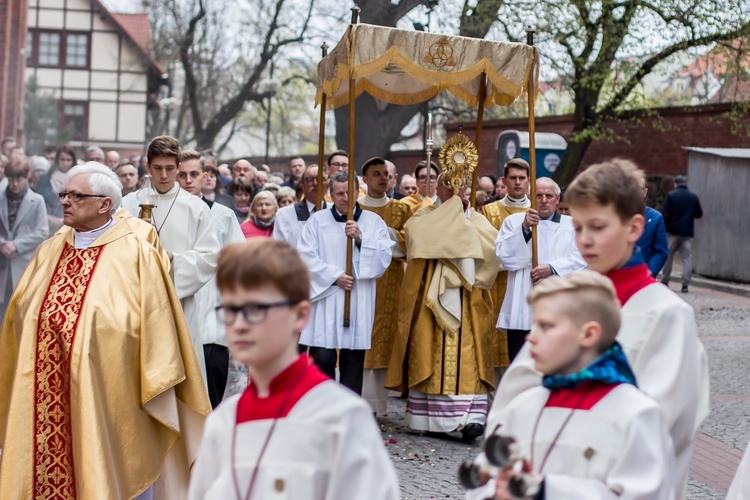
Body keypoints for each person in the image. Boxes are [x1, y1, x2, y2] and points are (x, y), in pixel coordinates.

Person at [491, 159, 709, 497]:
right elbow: (514, 393)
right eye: (578, 228)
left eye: (598, 227)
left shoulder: (666, 314)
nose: (585, 241)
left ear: (634, 229)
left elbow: (666, 427)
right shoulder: (567, 304)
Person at [0, 162, 210, 499]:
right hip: (43, 386)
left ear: (104, 204)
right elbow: (19, 313)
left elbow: (157, 327)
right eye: (64, 194)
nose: (65, 201)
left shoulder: (136, 251)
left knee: (99, 463)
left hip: (111, 389)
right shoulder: (50, 248)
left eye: (75, 195)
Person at [187, 240, 400, 499]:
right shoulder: (222, 423)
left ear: (300, 315)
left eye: (255, 308)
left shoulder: (340, 417)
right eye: (230, 309)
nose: (239, 325)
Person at [475, 272, 675, 500]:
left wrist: (546, 490)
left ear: (589, 334)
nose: (531, 337)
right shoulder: (522, 407)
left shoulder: (636, 415)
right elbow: (486, 477)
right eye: (534, 326)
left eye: (546, 326)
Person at [386, 169, 499, 442]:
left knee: (470, 355)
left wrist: (460, 231)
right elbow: (415, 239)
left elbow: (493, 250)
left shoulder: (478, 221)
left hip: (468, 297)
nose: (453, 191)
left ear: (467, 191)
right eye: (447, 186)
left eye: (459, 187)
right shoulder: (424, 217)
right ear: (437, 189)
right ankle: (430, 417)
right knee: (429, 351)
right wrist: (452, 232)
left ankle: (471, 418)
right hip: (431, 296)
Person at [122, 136, 221, 385]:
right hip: (137, 302)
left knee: (180, 378)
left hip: (178, 304)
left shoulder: (195, 208)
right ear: (148, 167)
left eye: (169, 168)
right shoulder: (128, 204)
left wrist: (173, 259)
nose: (164, 175)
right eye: (157, 168)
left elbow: (210, 257)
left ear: (178, 167)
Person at [297, 172, 394, 395]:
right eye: (339, 193)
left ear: (358, 192)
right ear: (330, 194)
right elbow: (304, 256)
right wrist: (334, 276)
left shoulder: (372, 221)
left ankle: (349, 415)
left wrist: (361, 239)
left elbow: (384, 256)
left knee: (352, 360)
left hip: (357, 298)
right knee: (322, 356)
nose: (344, 198)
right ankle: (323, 409)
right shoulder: (317, 221)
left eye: (349, 192)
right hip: (327, 296)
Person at [177, 149, 245, 409]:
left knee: (212, 388)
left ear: (205, 176)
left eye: (194, 174)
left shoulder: (222, 215)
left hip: (212, 313)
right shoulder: (164, 214)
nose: (188, 180)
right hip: (178, 307)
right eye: (182, 175)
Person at [495, 177, 586, 362]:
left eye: (549, 196)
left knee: (555, 363)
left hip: (558, 303)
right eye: (539, 196)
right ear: (530, 197)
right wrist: (525, 229)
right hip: (522, 303)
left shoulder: (573, 225)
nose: (544, 201)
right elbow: (504, 258)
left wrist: (552, 268)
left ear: (557, 199)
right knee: (520, 362)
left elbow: (583, 258)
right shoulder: (514, 222)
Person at [358, 157, 411, 415]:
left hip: (390, 282)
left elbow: (408, 245)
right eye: (376, 173)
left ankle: (376, 405)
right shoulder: (354, 207)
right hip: (359, 283)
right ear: (364, 179)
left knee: (382, 341)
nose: (382, 178)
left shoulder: (401, 209)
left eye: (386, 174)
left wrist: (384, 234)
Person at [481, 159, 533, 376]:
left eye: (522, 178)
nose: (518, 183)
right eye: (513, 178)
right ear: (504, 180)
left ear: (529, 181)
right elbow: (487, 251)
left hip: (527, 287)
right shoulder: (489, 211)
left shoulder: (537, 210)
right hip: (495, 287)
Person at [0, 160, 48, 320]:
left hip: (24, 262)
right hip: (2, 261)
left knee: (20, 310)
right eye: (11, 179)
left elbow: (42, 231)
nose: (14, 184)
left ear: (26, 177)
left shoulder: (37, 200)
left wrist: (16, 245)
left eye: (19, 180)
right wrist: (3, 244)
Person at [661, 174, 703, 293]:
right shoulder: (693, 197)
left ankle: (665, 280)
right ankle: (685, 284)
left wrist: (667, 226)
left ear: (676, 184)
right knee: (687, 258)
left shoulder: (671, 195)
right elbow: (699, 214)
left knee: (668, 256)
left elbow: (664, 213)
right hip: (687, 233)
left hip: (672, 232)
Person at [273, 164, 327, 249]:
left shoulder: (337, 212)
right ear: (302, 186)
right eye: (309, 180)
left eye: (320, 179)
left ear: (327, 184)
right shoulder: (284, 215)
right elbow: (280, 250)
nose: (315, 183)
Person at [35, 145, 76, 232]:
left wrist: (61, 220)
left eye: (68, 160)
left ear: (73, 161)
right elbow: (37, 202)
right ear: (57, 160)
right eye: (62, 160)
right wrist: (46, 217)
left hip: (69, 227)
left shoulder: (78, 180)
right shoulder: (45, 178)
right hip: (47, 225)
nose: (65, 163)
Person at [636, 175, 668, 277]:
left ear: (645, 192)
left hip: (642, 279)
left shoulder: (655, 218)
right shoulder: (615, 216)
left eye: (638, 189)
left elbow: (661, 252)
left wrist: (647, 273)